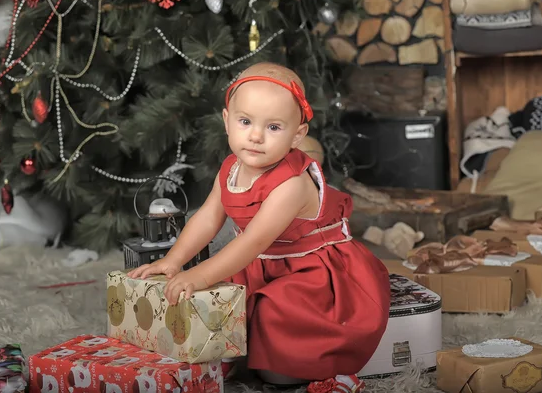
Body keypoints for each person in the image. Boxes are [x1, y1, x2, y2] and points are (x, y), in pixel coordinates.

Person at [128, 62, 390, 393]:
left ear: (297, 135)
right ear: (227, 121)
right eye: (245, 121)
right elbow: (209, 217)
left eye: (274, 127)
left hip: (308, 270)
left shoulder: (291, 185)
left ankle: (313, 367)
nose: (255, 136)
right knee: (221, 304)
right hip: (260, 263)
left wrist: (199, 273)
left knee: (275, 321)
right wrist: (174, 260)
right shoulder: (231, 169)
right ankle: (236, 352)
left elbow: (252, 241)